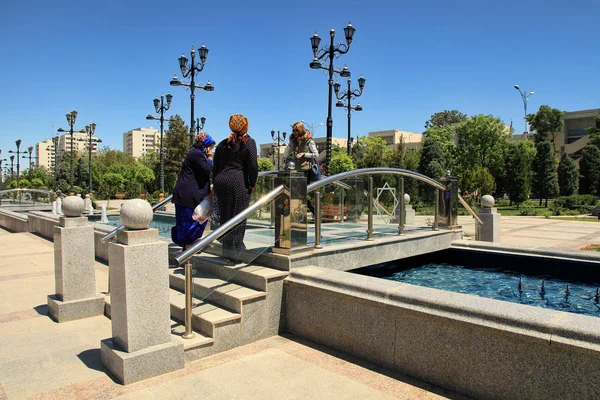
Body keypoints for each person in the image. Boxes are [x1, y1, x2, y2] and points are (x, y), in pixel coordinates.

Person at [213, 114, 258, 263]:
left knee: (226, 217)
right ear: (246, 127)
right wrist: (252, 184)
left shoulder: (222, 144)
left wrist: (215, 182)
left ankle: (227, 251)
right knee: (238, 218)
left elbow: (216, 167)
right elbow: (253, 166)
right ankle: (236, 253)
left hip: (221, 182)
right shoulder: (248, 143)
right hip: (237, 183)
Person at [171, 132, 215, 249]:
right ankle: (188, 246)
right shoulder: (196, 155)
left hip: (187, 194)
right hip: (187, 195)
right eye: (210, 147)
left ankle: (188, 245)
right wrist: (210, 158)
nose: (211, 150)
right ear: (205, 145)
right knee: (190, 222)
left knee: (193, 220)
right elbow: (208, 169)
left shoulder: (195, 153)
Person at [283, 121, 320, 214]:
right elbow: (285, 155)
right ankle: (312, 211)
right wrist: (290, 144)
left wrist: (305, 154)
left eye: (296, 130)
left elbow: (316, 155)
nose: (294, 132)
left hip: (306, 170)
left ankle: (313, 211)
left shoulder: (309, 141)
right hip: (296, 170)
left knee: (299, 193)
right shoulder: (294, 141)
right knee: (297, 194)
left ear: (300, 130)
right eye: (293, 130)